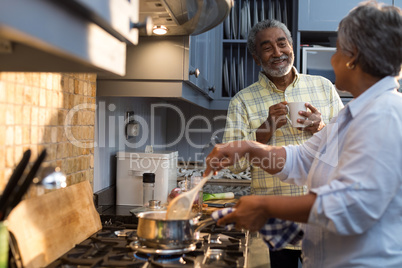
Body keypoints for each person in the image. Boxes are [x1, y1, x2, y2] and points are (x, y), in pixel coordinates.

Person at [206, 1, 402, 267]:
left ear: (353, 56)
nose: (332, 57)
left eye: (337, 49)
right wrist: (249, 147)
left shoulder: (385, 114)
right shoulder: (355, 114)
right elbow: (302, 157)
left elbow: (350, 206)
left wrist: (265, 207)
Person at [222, 19, 343, 266]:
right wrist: (264, 131)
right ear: (257, 58)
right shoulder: (242, 101)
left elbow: (345, 147)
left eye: (282, 43)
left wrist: (319, 128)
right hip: (274, 225)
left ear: (292, 46)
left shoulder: (324, 87)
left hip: (320, 219)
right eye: (267, 48)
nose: (277, 52)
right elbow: (233, 166)